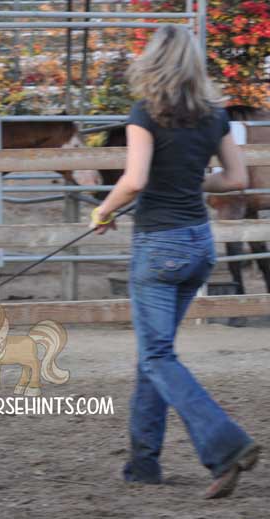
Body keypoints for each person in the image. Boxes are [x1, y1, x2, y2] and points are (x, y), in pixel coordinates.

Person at [90, 24, 260, 499]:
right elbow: (237, 177)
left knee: (158, 354)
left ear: (153, 61)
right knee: (154, 353)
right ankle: (144, 464)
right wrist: (191, 183)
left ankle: (224, 445)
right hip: (198, 246)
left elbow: (136, 179)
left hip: (158, 248)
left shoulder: (145, 112)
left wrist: (104, 210)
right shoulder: (214, 117)